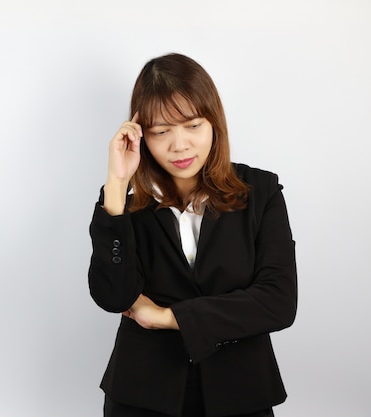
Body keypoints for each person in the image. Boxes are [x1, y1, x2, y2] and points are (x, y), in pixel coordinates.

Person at [88, 53, 297, 417]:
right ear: (142, 136)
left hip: (240, 394)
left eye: (192, 125)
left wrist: (168, 317)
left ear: (214, 123)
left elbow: (278, 302)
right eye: (161, 131)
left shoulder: (260, 192)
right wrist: (117, 185)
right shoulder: (126, 208)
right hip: (142, 397)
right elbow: (113, 296)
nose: (179, 145)